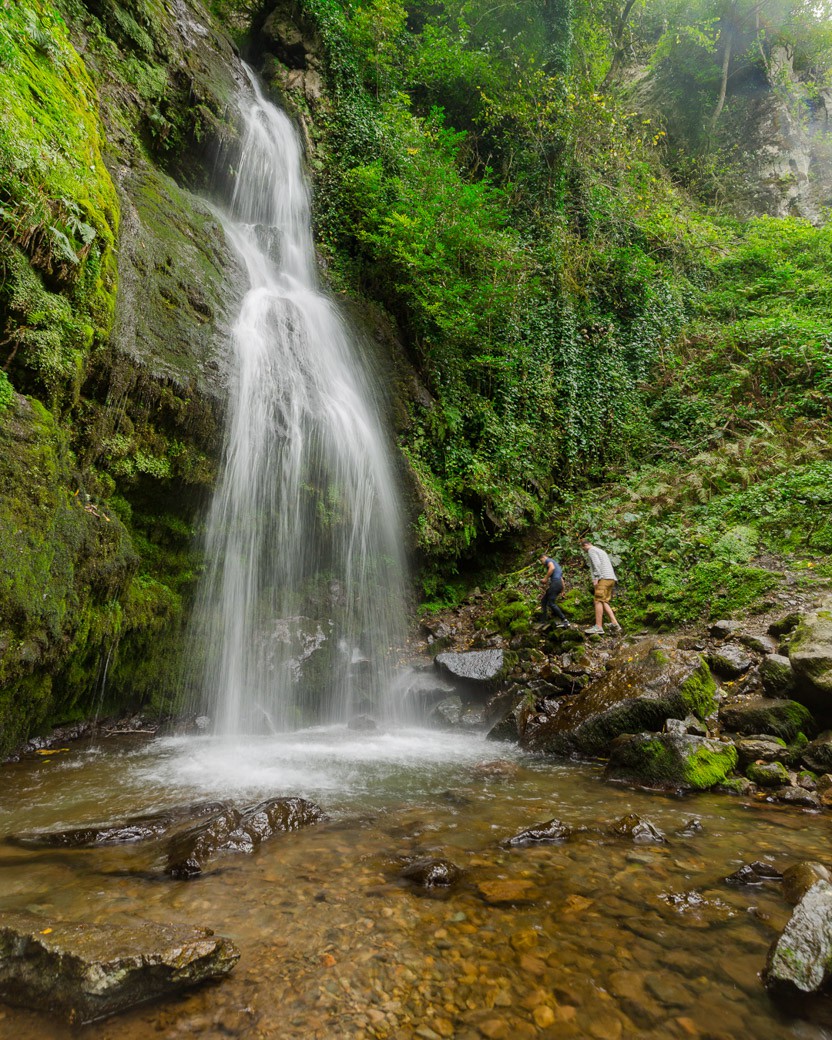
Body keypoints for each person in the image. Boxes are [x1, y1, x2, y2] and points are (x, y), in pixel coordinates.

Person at [580, 538, 621, 635]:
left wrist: (596, 578)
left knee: (597, 600)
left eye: (583, 548)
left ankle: (598, 627)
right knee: (603, 601)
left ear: (585, 545)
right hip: (611, 578)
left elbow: (597, 564)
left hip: (604, 578)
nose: (584, 551)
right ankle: (615, 624)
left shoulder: (591, 550)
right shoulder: (600, 550)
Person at [538, 554, 570, 627]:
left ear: (544, 557)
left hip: (555, 583)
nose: (542, 562)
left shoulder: (548, 561)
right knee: (544, 600)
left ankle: (564, 620)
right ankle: (543, 620)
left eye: (541, 560)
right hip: (558, 584)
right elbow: (561, 579)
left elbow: (551, 568)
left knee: (551, 603)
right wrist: (562, 590)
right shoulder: (557, 564)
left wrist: (545, 578)